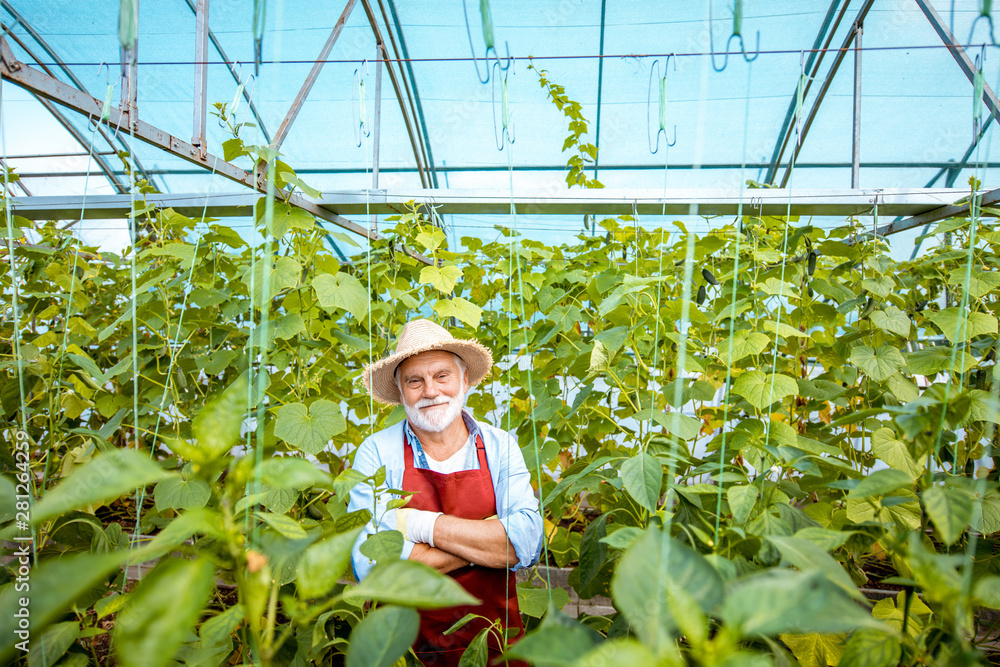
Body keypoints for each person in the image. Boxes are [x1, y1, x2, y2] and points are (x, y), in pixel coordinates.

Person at [348, 319, 543, 666]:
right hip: (403, 649)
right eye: (415, 381)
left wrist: (420, 526)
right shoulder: (376, 453)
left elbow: (524, 542)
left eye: (442, 376)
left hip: (493, 645)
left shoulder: (501, 446)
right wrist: (486, 539)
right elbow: (375, 567)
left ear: (464, 379)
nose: (430, 391)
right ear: (400, 391)